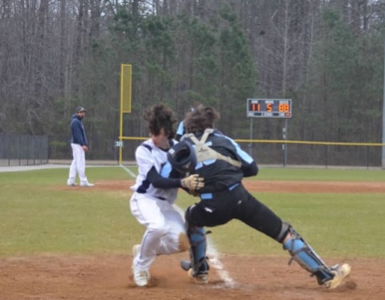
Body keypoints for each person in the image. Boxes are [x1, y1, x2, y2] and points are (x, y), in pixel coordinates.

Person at [168, 105, 351, 290]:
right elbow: (252, 168)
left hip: (212, 206)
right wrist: (228, 174)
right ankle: (326, 275)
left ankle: (200, 272)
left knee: (192, 216)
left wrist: (197, 182)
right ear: (211, 123)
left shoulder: (182, 148)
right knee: (283, 232)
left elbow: (172, 177)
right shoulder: (224, 140)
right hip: (240, 198)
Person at [129, 104, 204, 287]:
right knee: (157, 227)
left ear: (167, 131)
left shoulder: (180, 148)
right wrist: (182, 183)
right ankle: (140, 266)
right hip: (145, 199)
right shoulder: (144, 150)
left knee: (181, 243)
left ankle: (144, 251)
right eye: (152, 132)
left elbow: (183, 176)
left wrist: (192, 187)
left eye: (158, 133)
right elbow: (156, 180)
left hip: (166, 204)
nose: (154, 137)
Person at [67, 106, 94, 187]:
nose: (83, 114)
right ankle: (83, 181)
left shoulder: (77, 121)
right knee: (80, 162)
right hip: (77, 144)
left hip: (76, 144)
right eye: (81, 112)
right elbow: (78, 135)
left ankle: (71, 181)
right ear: (77, 113)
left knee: (75, 162)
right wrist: (83, 144)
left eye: (83, 112)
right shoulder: (76, 122)